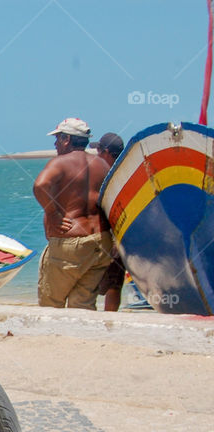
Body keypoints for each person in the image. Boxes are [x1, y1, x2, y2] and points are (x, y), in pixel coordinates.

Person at [32, 118, 113, 309]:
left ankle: (53, 338)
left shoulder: (60, 163)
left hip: (71, 243)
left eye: (58, 138)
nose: (55, 143)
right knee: (83, 303)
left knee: (51, 302)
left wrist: (52, 214)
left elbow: (40, 185)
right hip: (100, 241)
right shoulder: (102, 165)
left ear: (67, 139)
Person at [91, 132, 126, 311]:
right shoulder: (126, 173)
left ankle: (96, 318)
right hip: (120, 237)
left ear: (105, 152)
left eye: (98, 150)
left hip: (104, 235)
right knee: (114, 284)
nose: (96, 154)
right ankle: (110, 318)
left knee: (90, 283)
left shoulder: (102, 174)